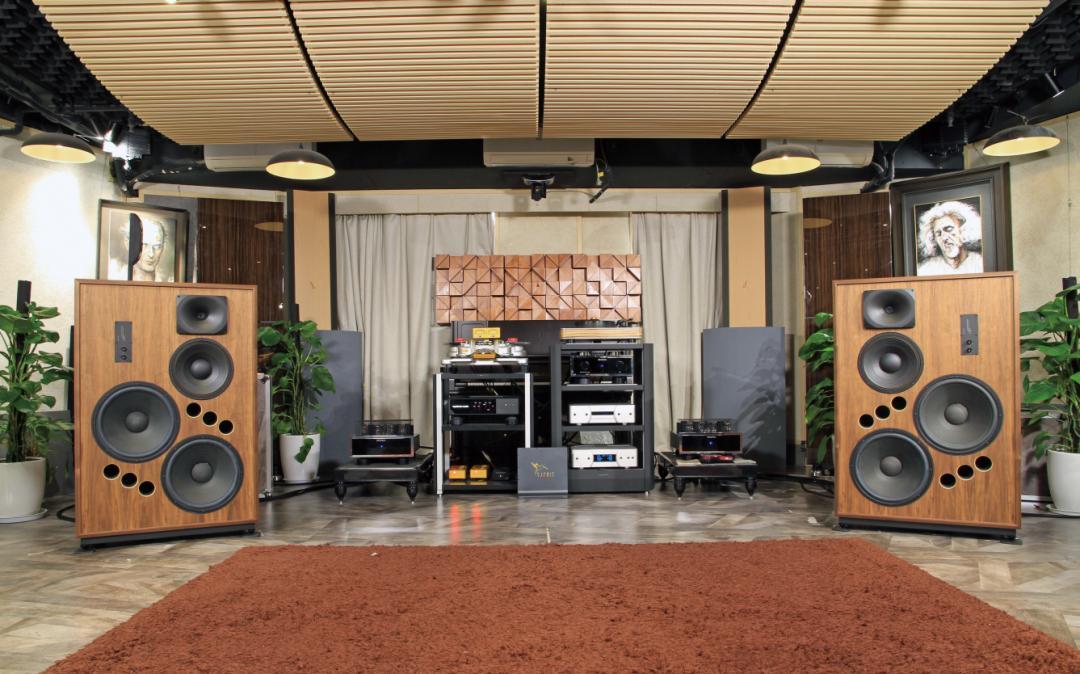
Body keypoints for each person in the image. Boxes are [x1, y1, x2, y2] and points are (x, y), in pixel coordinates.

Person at [916, 200, 984, 275]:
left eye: (949, 229)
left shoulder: (979, 263)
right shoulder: (926, 269)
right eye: (938, 234)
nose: (944, 238)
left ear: (963, 229)